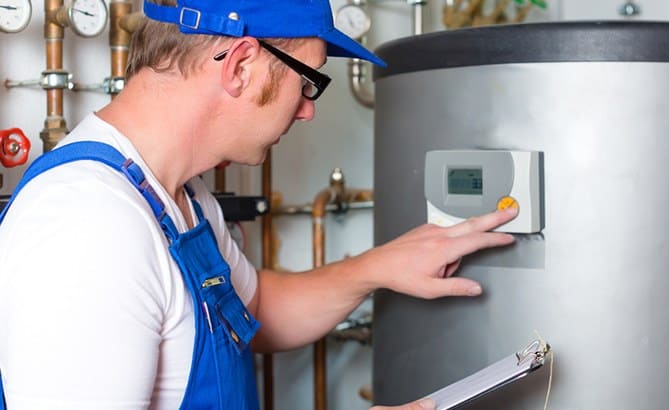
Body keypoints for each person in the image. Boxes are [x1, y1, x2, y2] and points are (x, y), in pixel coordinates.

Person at [0, 0, 517, 409]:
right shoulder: (89, 225)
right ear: (241, 65)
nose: (308, 110)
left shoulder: (181, 193)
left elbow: (256, 310)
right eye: (308, 80)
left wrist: (379, 266)